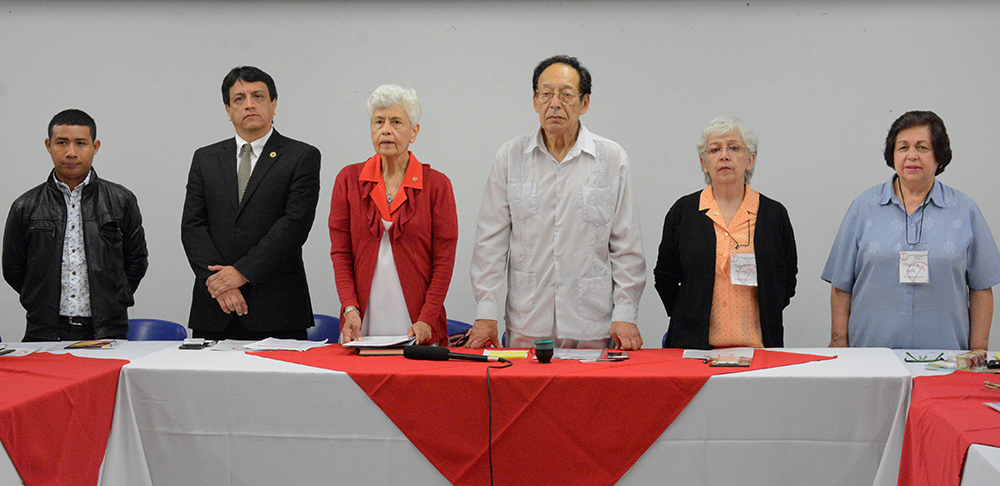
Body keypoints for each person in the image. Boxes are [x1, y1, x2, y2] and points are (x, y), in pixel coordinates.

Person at [467, 55, 646, 350]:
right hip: (527, 319)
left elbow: (627, 247)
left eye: (566, 95)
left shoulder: (612, 159)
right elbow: (490, 243)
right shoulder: (511, 157)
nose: (554, 104)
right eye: (546, 94)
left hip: (591, 322)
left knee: (588, 398)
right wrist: (485, 312)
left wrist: (626, 314)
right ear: (535, 101)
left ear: (584, 103)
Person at [822, 111, 1000, 350]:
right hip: (872, 353)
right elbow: (841, 285)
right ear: (892, 155)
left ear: (939, 155)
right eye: (903, 147)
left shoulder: (964, 210)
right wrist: (838, 341)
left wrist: (978, 351)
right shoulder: (864, 207)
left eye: (923, 147)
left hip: (945, 355)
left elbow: (981, 288)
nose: (912, 156)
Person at [181, 66, 321, 341]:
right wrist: (222, 286)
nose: (249, 104)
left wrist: (243, 272)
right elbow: (192, 227)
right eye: (239, 99)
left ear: (274, 104)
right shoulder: (205, 158)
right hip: (215, 308)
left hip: (277, 310)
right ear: (227, 109)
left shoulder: (301, 156)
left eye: (258, 96)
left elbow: (294, 225)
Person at [3, 109, 148, 341]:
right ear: (48, 145)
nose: (71, 152)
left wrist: (112, 299)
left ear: (95, 146)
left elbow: (136, 262)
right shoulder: (25, 205)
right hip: (44, 333)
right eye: (62, 143)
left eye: (80, 143)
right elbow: (13, 269)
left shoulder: (121, 200)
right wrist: (39, 298)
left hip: (106, 332)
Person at [329, 85, 458, 346]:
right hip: (362, 325)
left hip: (418, 325)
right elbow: (341, 253)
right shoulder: (348, 180)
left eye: (396, 122)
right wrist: (349, 309)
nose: (385, 130)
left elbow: (443, 262)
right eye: (379, 122)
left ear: (414, 132)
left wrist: (428, 318)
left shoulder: (437, 185)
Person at [654, 117, 796, 350]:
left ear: (750, 160)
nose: (724, 155)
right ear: (703, 163)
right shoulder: (684, 212)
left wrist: (768, 312)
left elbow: (787, 280)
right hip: (694, 348)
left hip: (759, 346)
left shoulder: (773, 214)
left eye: (733, 147)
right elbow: (665, 276)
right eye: (714, 149)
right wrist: (687, 315)